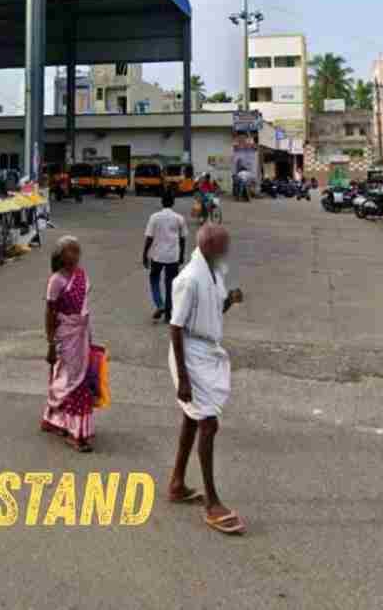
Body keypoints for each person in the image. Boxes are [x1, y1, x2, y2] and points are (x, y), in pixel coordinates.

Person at [167, 223, 245, 535]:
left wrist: (230, 301)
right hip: (190, 354)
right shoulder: (188, 279)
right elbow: (175, 327)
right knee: (208, 423)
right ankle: (212, 502)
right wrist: (183, 378)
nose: (227, 251)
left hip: (207, 351)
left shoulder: (214, 272)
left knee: (192, 418)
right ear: (209, 246)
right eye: (223, 246)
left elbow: (211, 310)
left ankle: (177, 484)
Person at [42, 236, 96, 453]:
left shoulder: (81, 274)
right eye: (69, 251)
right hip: (66, 335)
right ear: (60, 255)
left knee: (79, 378)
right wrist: (50, 343)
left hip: (81, 333)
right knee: (73, 380)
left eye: (77, 250)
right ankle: (76, 433)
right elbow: (50, 312)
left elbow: (84, 307)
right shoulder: (56, 280)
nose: (74, 255)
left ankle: (58, 420)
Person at [143, 192, 187, 323]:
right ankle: (168, 313)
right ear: (173, 203)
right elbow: (182, 239)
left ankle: (159, 304)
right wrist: (181, 255)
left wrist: (145, 254)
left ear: (162, 202)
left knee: (154, 279)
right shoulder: (179, 218)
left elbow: (149, 238)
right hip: (173, 257)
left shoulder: (154, 217)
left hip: (157, 255)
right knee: (171, 284)